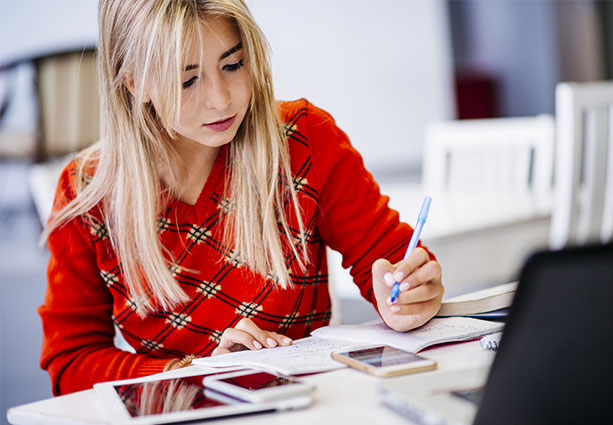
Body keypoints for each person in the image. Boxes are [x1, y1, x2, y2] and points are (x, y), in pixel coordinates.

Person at [39, 0, 444, 396]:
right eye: (187, 79)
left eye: (233, 65)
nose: (221, 98)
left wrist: (406, 294)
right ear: (135, 83)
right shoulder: (88, 194)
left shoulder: (305, 142)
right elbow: (71, 362)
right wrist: (198, 373)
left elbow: (392, 260)